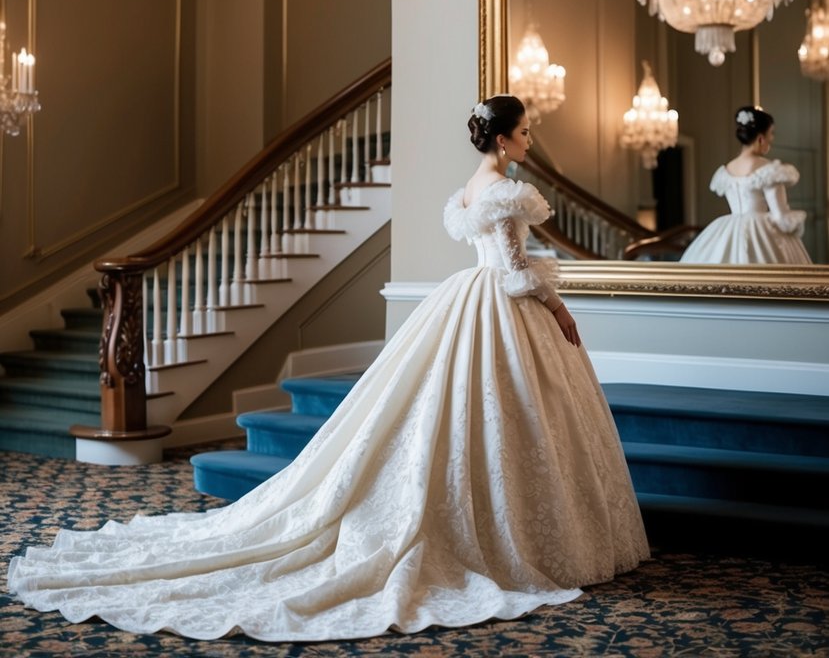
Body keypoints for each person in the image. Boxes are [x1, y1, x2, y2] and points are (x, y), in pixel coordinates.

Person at [8, 94, 649, 642]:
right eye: (526, 130)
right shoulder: (508, 192)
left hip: (465, 300)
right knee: (512, 415)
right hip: (501, 306)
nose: (532, 138)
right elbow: (512, 275)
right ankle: (512, 542)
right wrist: (559, 308)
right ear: (505, 138)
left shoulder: (473, 188)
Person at [680, 105, 811, 265]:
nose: (771, 140)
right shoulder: (769, 169)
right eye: (771, 134)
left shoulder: (726, 169)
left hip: (729, 230)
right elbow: (780, 214)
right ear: (761, 138)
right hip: (763, 233)